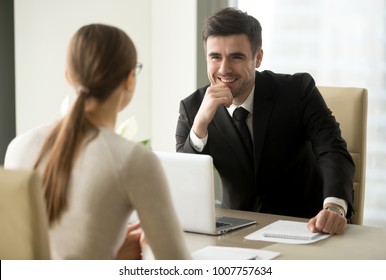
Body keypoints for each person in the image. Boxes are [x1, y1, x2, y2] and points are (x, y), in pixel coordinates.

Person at [5, 24, 191, 259]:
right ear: (129, 79)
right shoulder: (134, 160)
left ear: (68, 76)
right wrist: (147, 246)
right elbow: (178, 267)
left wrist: (109, 253)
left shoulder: (18, 146)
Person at [176, 8, 355, 235]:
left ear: (258, 57)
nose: (224, 69)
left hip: (307, 225)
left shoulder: (298, 91)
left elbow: (332, 149)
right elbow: (183, 183)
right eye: (215, 57)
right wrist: (200, 125)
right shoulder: (192, 108)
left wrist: (334, 207)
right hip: (236, 231)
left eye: (236, 57)